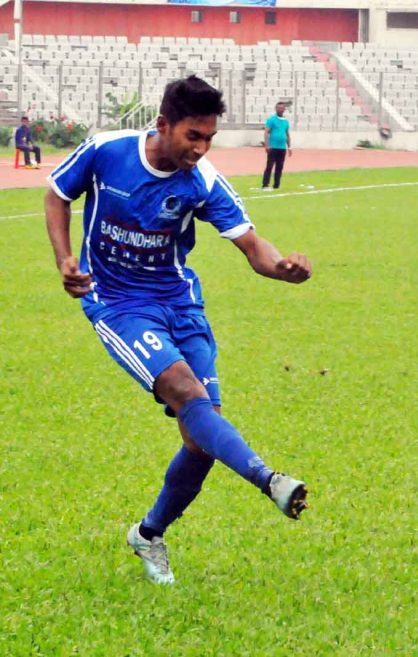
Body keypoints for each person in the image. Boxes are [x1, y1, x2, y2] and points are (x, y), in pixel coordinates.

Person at [45, 75, 313, 584]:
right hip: (118, 302)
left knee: (200, 437)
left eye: (209, 138)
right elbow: (58, 194)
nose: (201, 147)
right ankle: (269, 479)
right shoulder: (107, 152)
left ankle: (148, 534)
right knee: (187, 392)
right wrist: (65, 260)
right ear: (163, 125)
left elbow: (254, 246)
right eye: (194, 135)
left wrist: (283, 268)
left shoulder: (203, 180)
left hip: (180, 303)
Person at [262, 101, 292, 191]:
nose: (280, 109)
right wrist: (267, 145)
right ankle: (265, 184)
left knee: (279, 167)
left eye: (282, 108)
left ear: (284, 110)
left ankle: (276, 185)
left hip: (282, 148)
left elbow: (287, 134)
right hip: (273, 147)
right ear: (276, 109)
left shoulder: (286, 121)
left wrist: (289, 146)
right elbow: (266, 132)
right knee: (269, 166)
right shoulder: (271, 120)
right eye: (279, 108)